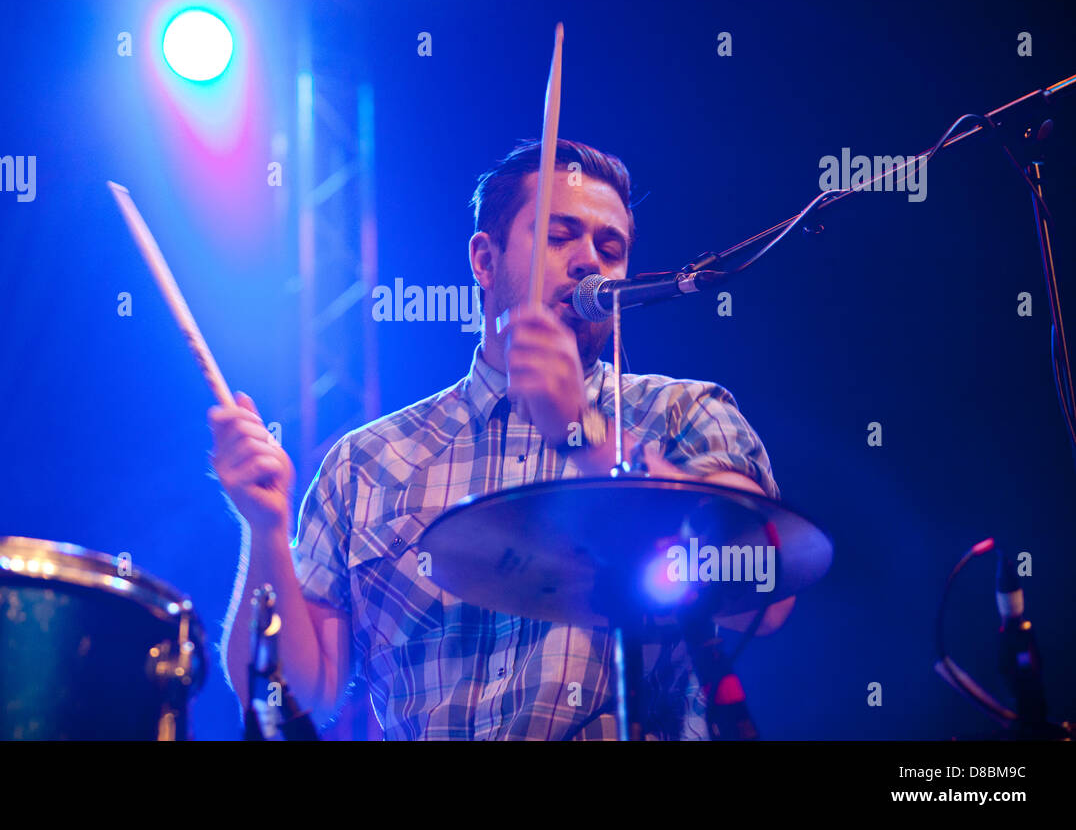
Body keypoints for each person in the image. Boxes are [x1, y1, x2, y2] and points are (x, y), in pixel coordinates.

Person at [211, 138, 791, 740]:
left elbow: (765, 591)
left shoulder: (682, 413)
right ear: (484, 262)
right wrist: (267, 530)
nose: (590, 260)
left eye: (610, 247)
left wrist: (583, 434)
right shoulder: (364, 461)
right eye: (560, 235)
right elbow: (296, 693)